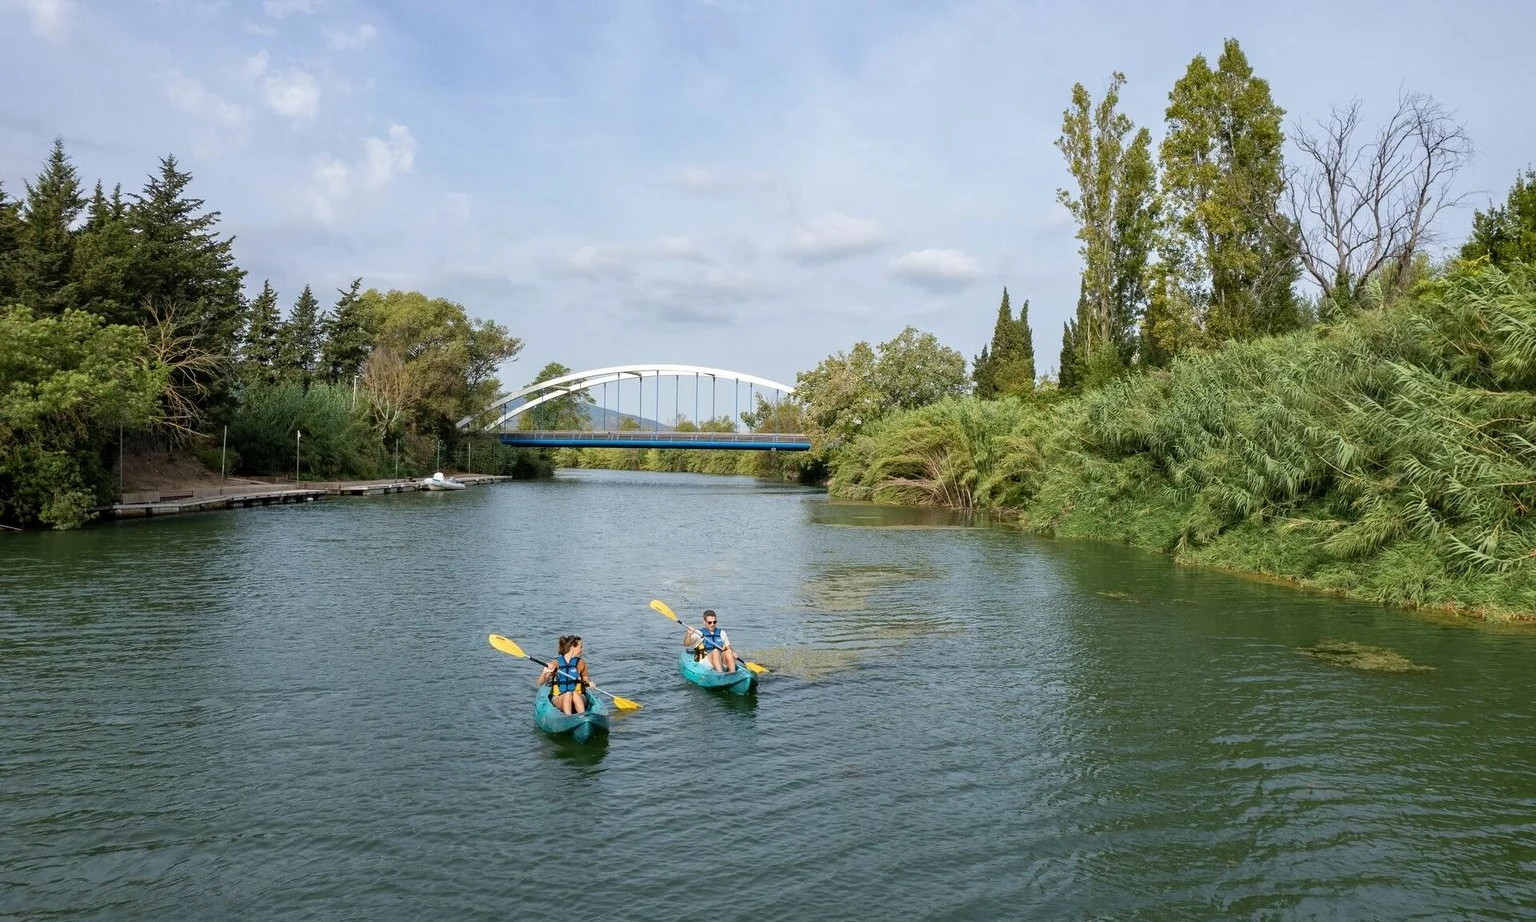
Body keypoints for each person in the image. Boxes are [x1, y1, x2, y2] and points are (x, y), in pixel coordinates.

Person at [538, 635, 593, 715]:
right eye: (580, 647)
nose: (582, 650)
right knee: (568, 694)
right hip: (560, 698)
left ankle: (583, 717)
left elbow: (586, 680)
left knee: (574, 693)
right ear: (572, 648)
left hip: (579, 696)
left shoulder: (581, 663)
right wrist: (545, 672)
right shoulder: (556, 663)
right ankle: (568, 717)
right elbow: (540, 683)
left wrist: (590, 684)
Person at [683, 610, 738, 674]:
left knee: (729, 652)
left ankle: (733, 674)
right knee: (715, 651)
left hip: (720, 661)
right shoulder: (698, 633)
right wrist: (689, 634)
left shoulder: (722, 633)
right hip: (705, 663)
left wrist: (732, 653)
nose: (712, 624)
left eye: (714, 622)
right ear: (704, 622)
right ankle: (720, 675)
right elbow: (686, 644)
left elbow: (729, 648)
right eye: (709, 622)